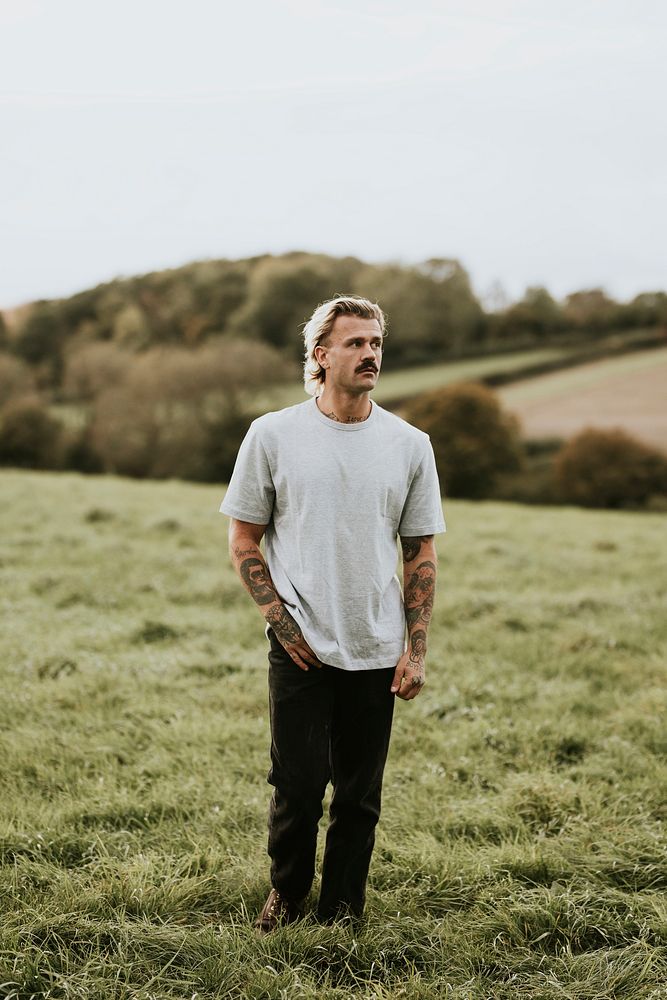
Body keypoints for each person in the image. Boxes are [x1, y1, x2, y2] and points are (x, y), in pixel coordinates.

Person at [220, 295, 445, 932]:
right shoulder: (273, 435)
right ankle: (286, 896)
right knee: (295, 786)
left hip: (376, 647)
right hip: (299, 646)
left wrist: (416, 645)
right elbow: (244, 538)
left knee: (358, 797)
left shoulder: (409, 445)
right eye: (355, 343)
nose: (370, 353)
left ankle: (343, 911)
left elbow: (420, 550)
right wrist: (281, 621)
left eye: (375, 343)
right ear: (320, 356)